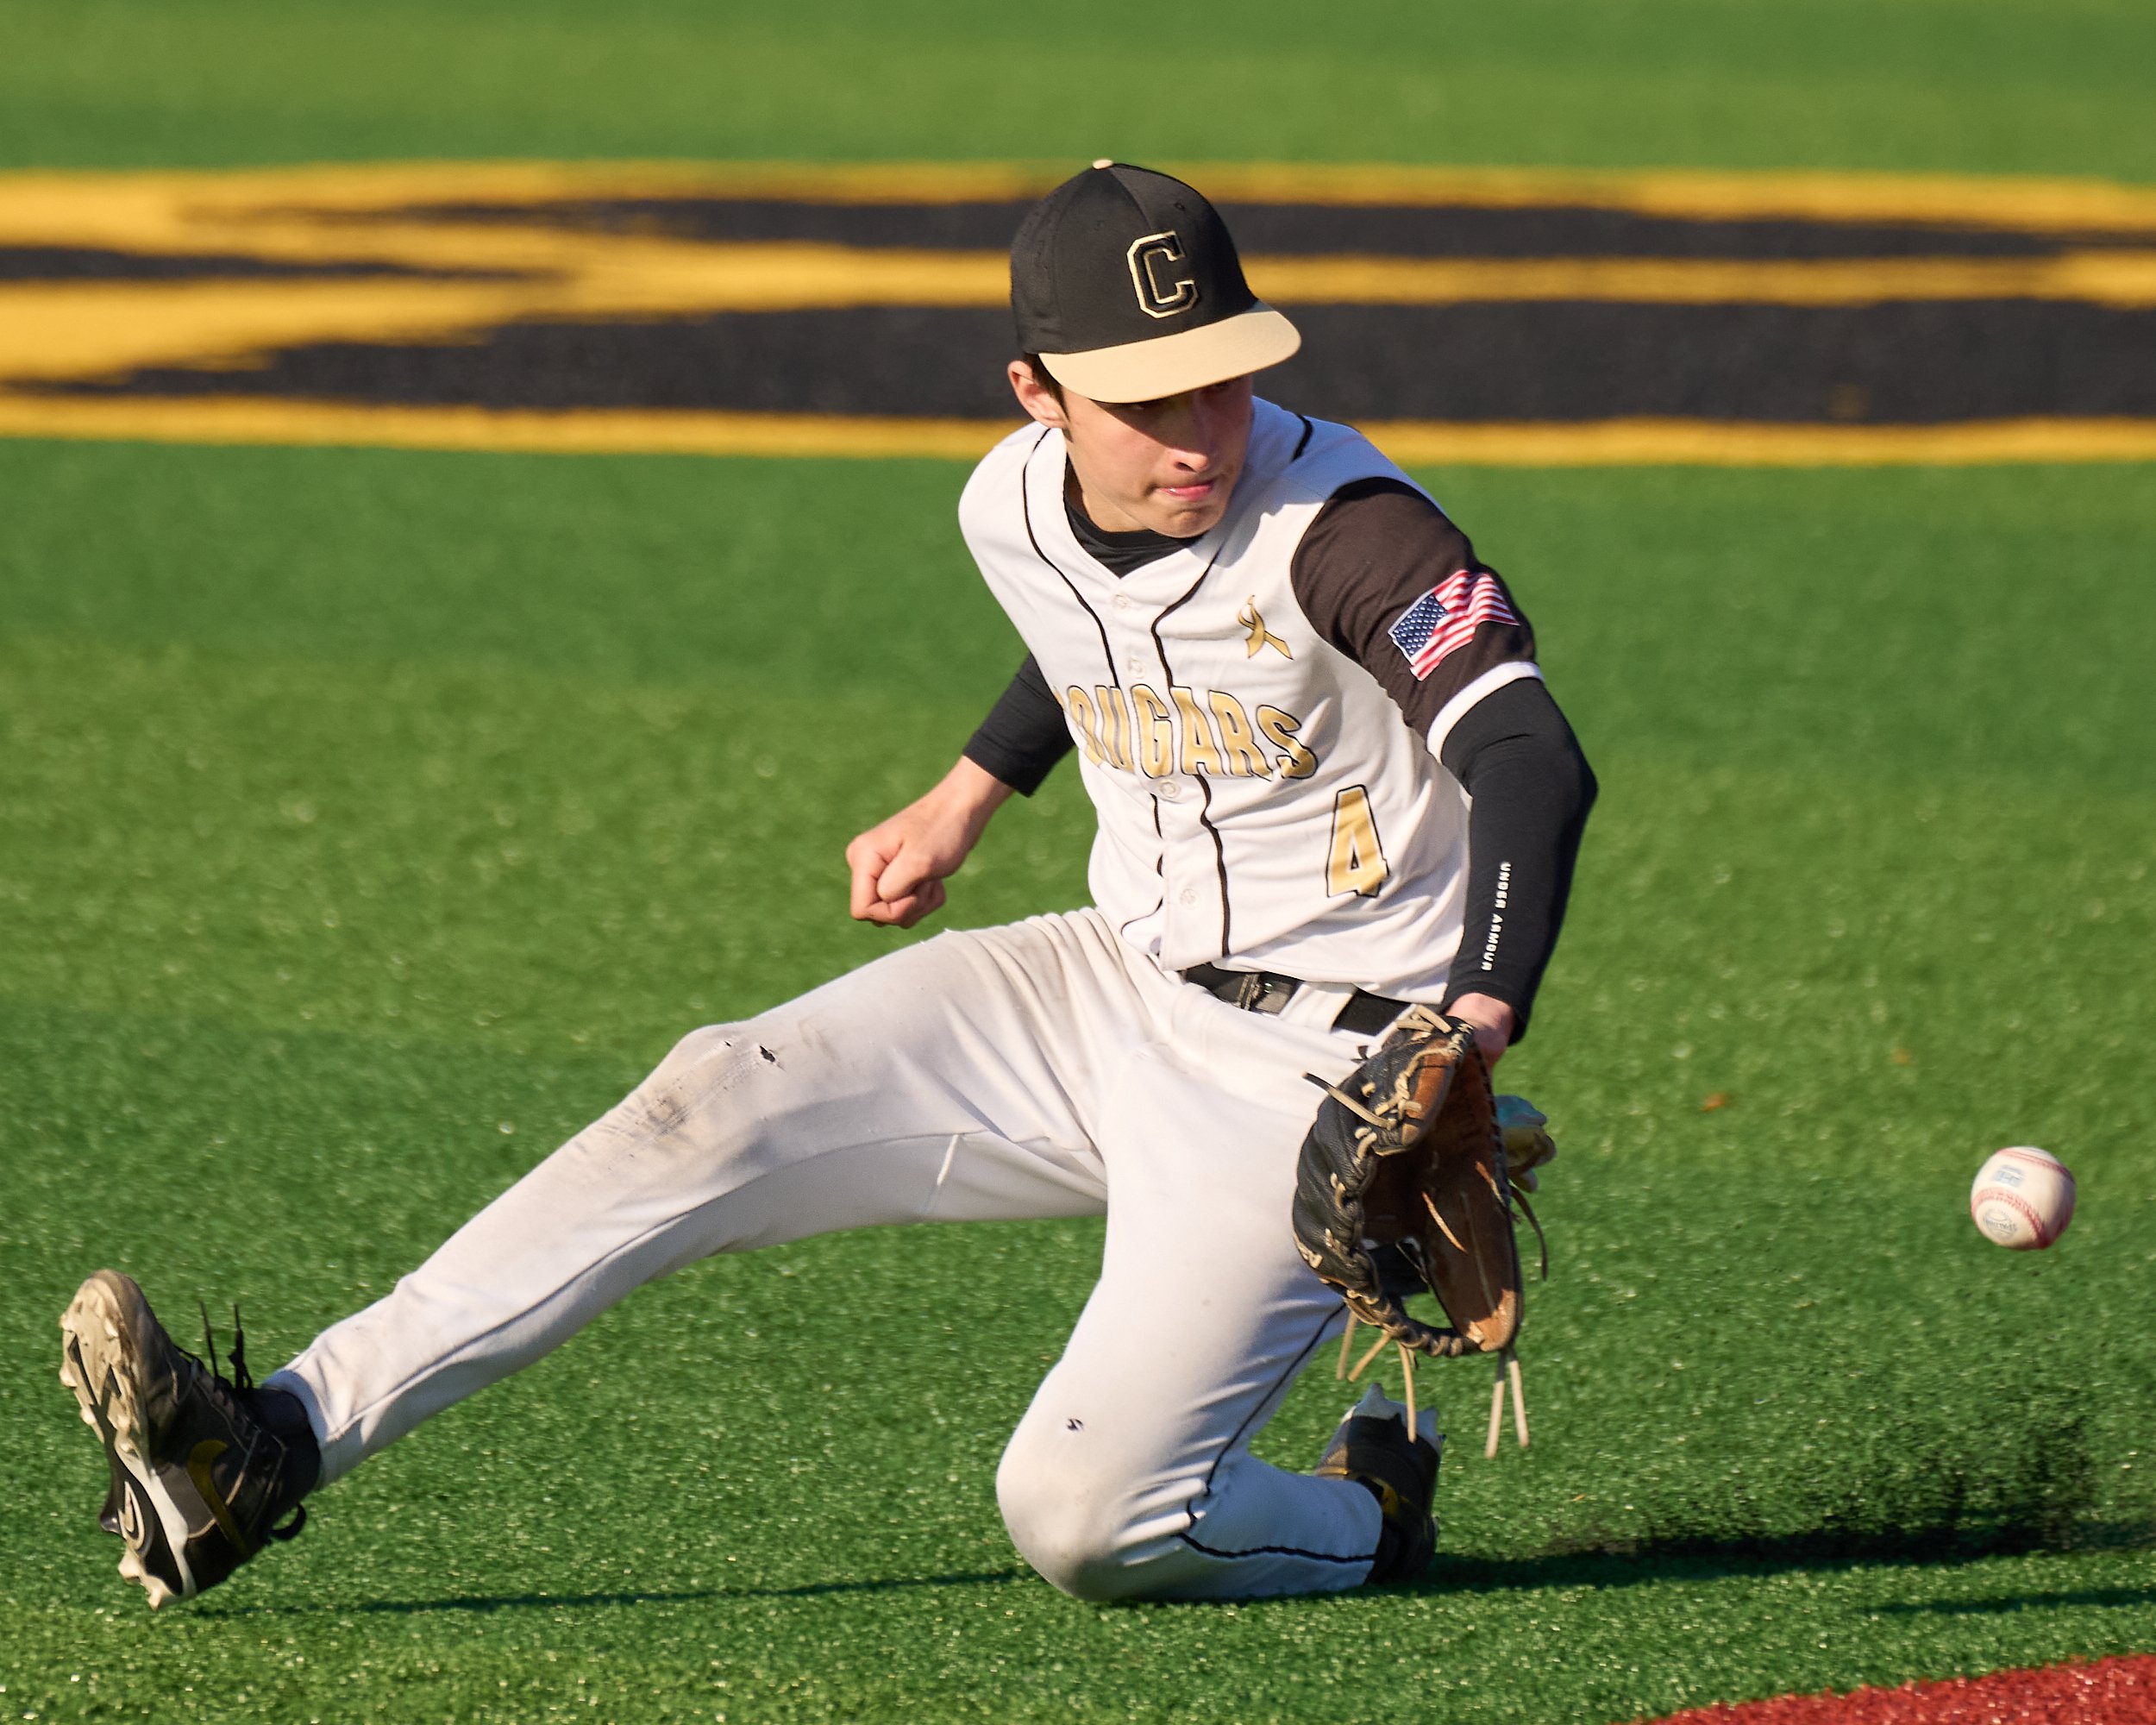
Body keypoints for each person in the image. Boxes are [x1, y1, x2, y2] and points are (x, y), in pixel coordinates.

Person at [59, 161, 1595, 1608]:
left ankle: (1369, 1516)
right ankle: (266, 1448)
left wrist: (1474, 1023)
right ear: (1040, 395)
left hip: (1328, 1077)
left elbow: (1531, 753)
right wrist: (967, 793)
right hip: (1101, 988)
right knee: (712, 1097)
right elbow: (1098, 626)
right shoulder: (1011, 503)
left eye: (1223, 375)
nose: (1201, 432)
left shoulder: (1353, 532)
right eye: (1145, 399)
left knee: (1087, 1521)